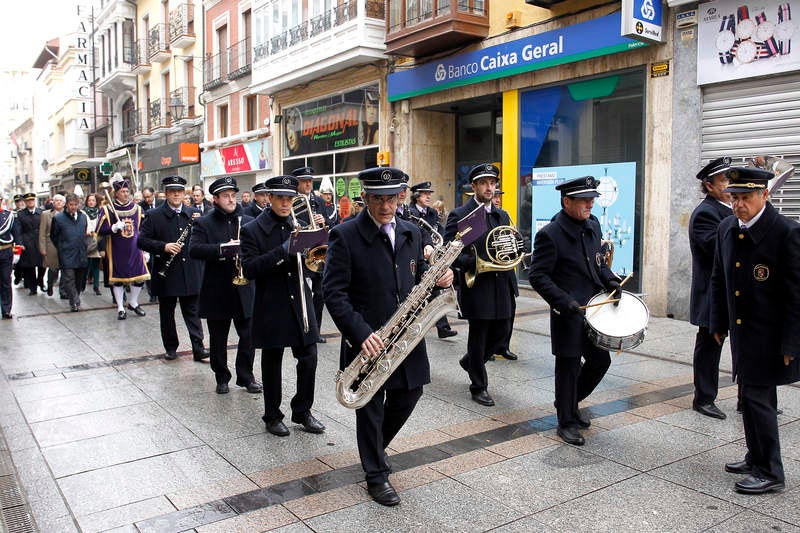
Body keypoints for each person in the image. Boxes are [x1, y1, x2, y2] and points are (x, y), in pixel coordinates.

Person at [324, 166, 454, 506]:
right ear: (365, 198)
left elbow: (417, 275)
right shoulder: (344, 235)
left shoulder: (411, 232)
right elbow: (334, 293)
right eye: (378, 199)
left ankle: (374, 452)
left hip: (407, 334)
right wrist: (360, 332)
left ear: (400, 197)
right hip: (368, 338)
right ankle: (376, 475)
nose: (385, 207)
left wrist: (439, 277)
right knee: (370, 406)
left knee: (410, 394)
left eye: (391, 199)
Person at [710, 166, 800, 495]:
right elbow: (719, 280)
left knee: (757, 399)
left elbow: (796, 294)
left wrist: (793, 341)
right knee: (748, 396)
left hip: (770, 334)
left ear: (765, 195)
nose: (738, 205)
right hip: (742, 331)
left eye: (746, 198)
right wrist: (717, 322)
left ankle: (770, 471)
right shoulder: (727, 229)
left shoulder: (785, 232)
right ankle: (755, 456)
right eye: (734, 198)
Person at [529, 176, 621, 446]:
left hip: (593, 312)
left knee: (600, 362)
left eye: (592, 198)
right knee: (567, 367)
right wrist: (561, 300)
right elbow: (538, 276)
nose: (590, 203)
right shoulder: (550, 234)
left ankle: (568, 402)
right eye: (584, 199)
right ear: (567, 201)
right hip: (568, 313)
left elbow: (598, 263)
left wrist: (611, 279)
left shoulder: (592, 224)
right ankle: (566, 421)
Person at [240, 175, 326, 437]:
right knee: (272, 359)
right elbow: (249, 269)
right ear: (270, 198)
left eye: (290, 198)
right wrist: (283, 251)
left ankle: (302, 410)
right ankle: (272, 415)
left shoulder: (299, 222)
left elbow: (315, 261)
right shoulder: (252, 229)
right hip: (272, 301)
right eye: (280, 198)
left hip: (300, 298)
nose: (286, 203)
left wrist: (317, 258)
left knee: (309, 356)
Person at [445, 164, 517, 407]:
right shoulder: (460, 214)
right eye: (484, 183)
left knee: (501, 335)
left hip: (501, 282)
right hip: (477, 283)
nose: (490, 187)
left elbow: (508, 242)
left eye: (493, 183)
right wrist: (473, 262)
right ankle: (479, 385)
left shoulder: (502, 214)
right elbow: (449, 251)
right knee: (480, 336)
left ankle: (470, 361)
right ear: (473, 186)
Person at [189, 176, 261, 393]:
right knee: (218, 337)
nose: (231, 200)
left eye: (233, 195)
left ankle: (246, 376)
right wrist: (221, 249)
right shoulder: (203, 222)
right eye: (226, 196)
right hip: (217, 288)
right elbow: (194, 250)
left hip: (244, 287)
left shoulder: (248, 220)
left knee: (248, 335)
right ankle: (221, 376)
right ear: (216, 199)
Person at [137, 176, 209, 361]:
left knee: (192, 311)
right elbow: (141, 241)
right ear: (166, 193)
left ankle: (198, 347)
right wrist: (163, 247)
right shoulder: (154, 215)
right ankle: (170, 347)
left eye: (179, 191)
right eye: (172, 191)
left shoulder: (194, 213)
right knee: (167, 313)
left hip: (190, 271)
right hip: (166, 272)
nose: (176, 194)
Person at [689, 157, 733, 420]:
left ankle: (748, 397)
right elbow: (718, 248)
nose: (730, 185)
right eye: (725, 180)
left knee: (744, 346)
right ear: (709, 185)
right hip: (711, 294)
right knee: (709, 345)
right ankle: (704, 398)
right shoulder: (706, 213)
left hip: (734, 293)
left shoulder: (730, 210)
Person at [97, 174, 150, 320]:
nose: (126, 194)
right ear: (116, 193)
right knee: (118, 279)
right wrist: (113, 227)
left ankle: (133, 302)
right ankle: (120, 307)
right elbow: (99, 230)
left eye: (127, 191)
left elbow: (145, 230)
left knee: (140, 276)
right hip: (116, 249)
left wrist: (146, 249)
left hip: (135, 248)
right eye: (122, 192)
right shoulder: (107, 210)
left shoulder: (138, 209)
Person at [409, 181, 457, 339]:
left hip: (432, 256)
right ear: (416, 196)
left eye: (429, 193)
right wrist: (426, 244)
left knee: (434, 291)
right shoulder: (410, 212)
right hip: (416, 257)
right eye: (425, 193)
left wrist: (443, 243)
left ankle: (443, 327)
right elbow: (417, 232)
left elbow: (439, 229)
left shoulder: (432, 212)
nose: (429, 196)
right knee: (418, 294)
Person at [292, 166, 330, 343]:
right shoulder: (292, 200)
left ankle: (317, 330)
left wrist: (324, 221)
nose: (308, 184)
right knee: (304, 293)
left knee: (320, 294)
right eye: (304, 181)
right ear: (297, 183)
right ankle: (303, 328)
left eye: (310, 180)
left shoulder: (319, 201)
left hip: (318, 252)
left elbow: (330, 225)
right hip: (302, 253)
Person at [490, 189, 519, 361]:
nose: (497, 199)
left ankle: (503, 346)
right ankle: (489, 348)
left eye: (499, 196)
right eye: (494, 196)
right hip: (491, 271)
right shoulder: (480, 217)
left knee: (510, 311)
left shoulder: (504, 215)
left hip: (506, 271)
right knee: (492, 315)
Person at [50, 194, 88, 312]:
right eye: (71, 205)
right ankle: (74, 301)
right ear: (67, 205)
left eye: (75, 205)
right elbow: (53, 236)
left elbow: (84, 232)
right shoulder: (58, 218)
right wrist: (62, 246)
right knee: (69, 278)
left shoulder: (82, 217)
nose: (73, 207)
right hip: (66, 253)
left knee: (79, 278)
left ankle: (76, 295)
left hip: (81, 252)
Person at [16, 193, 44, 295]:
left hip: (40, 241)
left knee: (42, 264)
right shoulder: (20, 214)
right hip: (27, 242)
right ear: (25, 202)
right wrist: (20, 243)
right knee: (29, 267)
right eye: (28, 200)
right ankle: (33, 288)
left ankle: (40, 280)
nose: (30, 202)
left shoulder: (41, 212)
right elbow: (18, 231)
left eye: (32, 200)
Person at [39, 194, 65, 298]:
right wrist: (42, 248)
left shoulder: (67, 214)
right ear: (53, 203)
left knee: (65, 269)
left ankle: (63, 291)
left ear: (64, 203)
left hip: (64, 244)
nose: (58, 202)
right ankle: (50, 285)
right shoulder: (46, 214)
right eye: (56, 201)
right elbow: (42, 232)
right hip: (51, 245)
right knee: (53, 269)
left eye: (60, 201)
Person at [0, 200, 21, 319]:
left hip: (5, 251)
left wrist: (17, 252)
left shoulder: (9, 216)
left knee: (5, 281)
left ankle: (6, 309)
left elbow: (16, 233)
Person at [83, 194, 103, 296]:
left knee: (96, 264)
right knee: (85, 264)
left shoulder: (100, 212)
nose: (91, 202)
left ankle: (96, 286)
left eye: (93, 200)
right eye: (89, 200)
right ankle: (82, 282)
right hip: (85, 240)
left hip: (96, 240)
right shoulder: (82, 213)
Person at [11, 194, 24, 286]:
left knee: (26, 259)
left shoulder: (25, 212)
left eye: (20, 201)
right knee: (17, 260)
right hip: (16, 240)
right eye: (17, 201)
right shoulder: (13, 213)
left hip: (26, 238)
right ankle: (18, 275)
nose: (19, 203)